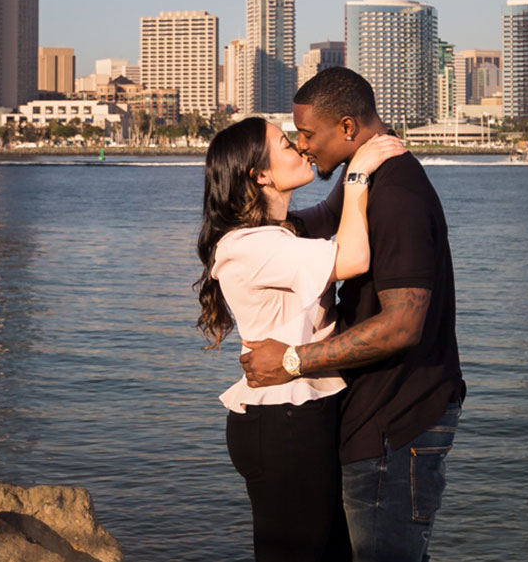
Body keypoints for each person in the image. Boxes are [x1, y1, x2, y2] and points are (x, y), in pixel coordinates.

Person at [241, 68, 464, 562]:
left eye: (307, 135)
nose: (302, 147)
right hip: (376, 415)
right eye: (294, 138)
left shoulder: (396, 191)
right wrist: (261, 229)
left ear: (346, 128)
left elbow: (403, 323)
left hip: (399, 418)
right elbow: (324, 219)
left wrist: (294, 361)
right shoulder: (365, 173)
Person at [198, 115, 409, 562]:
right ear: (260, 174)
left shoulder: (280, 232)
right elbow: (352, 257)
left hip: (299, 412)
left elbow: (333, 215)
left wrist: (363, 149)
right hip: (283, 422)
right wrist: (356, 176)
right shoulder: (252, 245)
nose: (298, 145)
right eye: (285, 144)